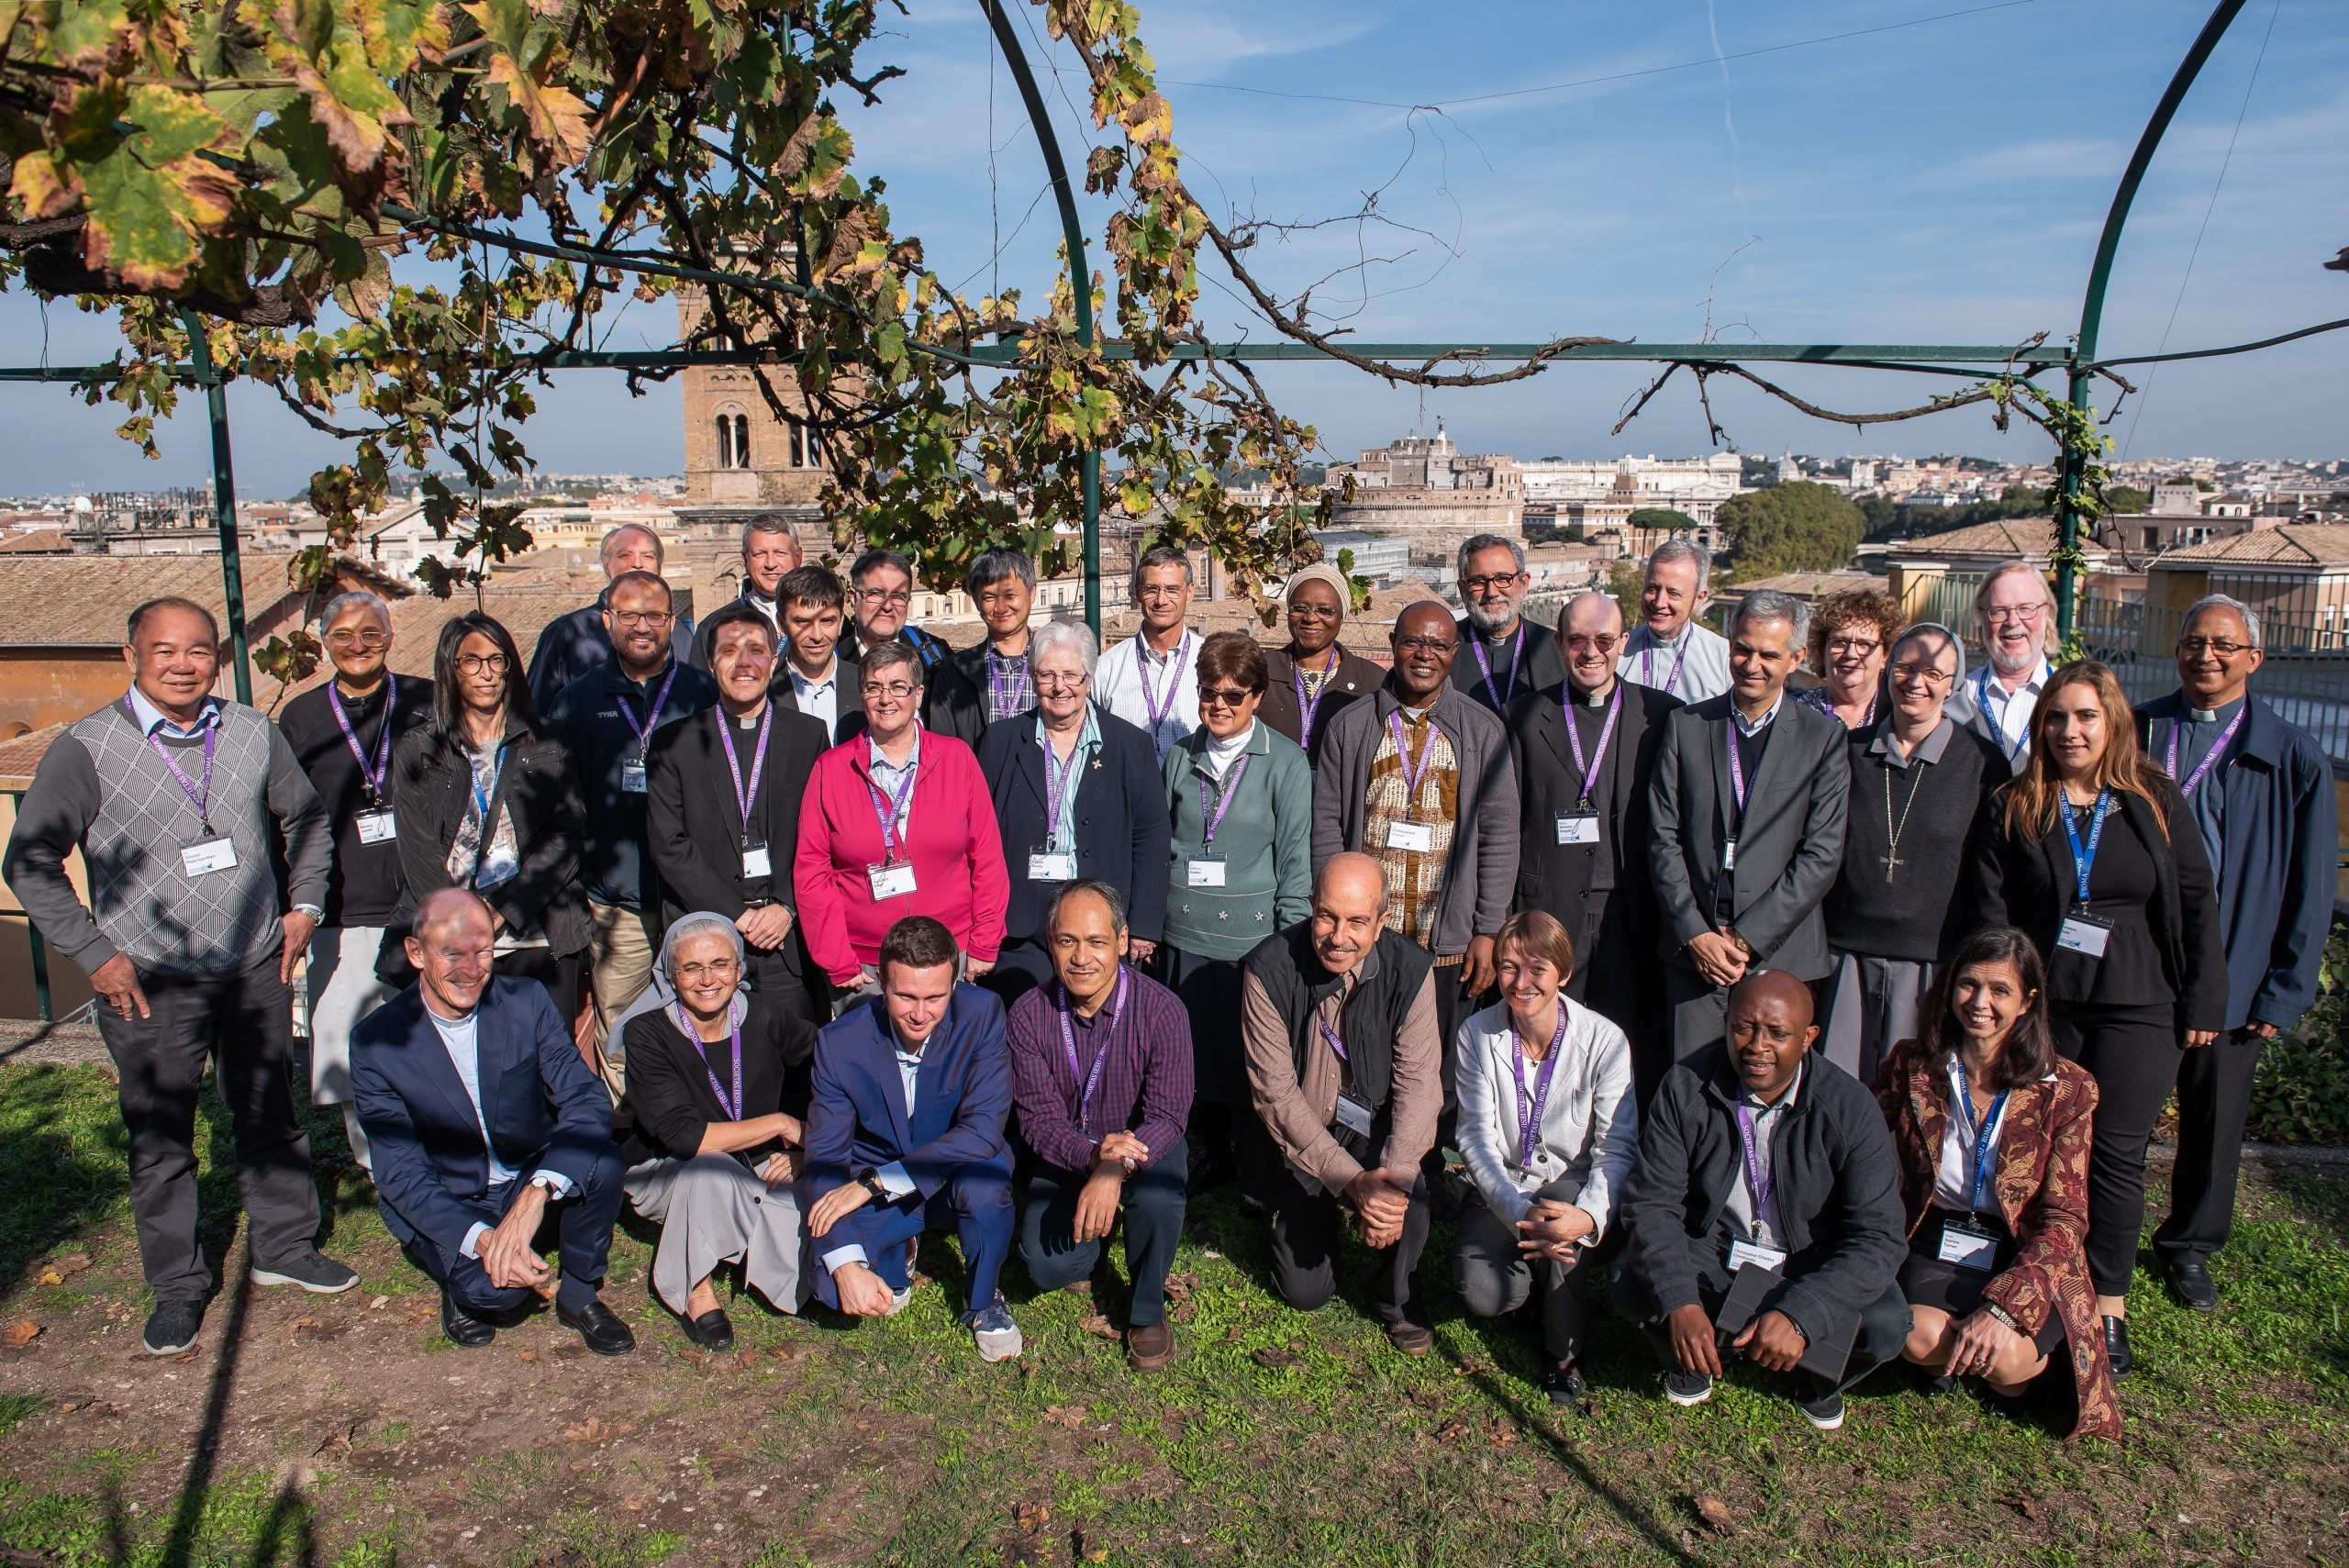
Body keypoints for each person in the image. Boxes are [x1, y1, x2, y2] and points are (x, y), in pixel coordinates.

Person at [5, 596, 354, 1354]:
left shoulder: (251, 732)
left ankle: (285, 1248)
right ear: (132, 654)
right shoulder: (88, 748)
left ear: (216, 660)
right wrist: (93, 952)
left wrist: (304, 904)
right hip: (148, 978)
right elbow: (29, 861)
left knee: (267, 1109)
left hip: (254, 960)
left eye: (199, 651)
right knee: (161, 1138)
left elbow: (308, 820)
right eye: (165, 650)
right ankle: (179, 1285)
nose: (183, 664)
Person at [1970, 659, 2226, 1376]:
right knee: (2042, 1147)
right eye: (2056, 717)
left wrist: (2206, 1000)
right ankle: (2038, 1285)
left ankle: (2108, 1303)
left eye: (2084, 716)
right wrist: (1995, 1000)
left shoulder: (2153, 797)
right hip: (2049, 1004)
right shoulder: (2018, 803)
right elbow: (1992, 910)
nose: (2070, 730)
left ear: (2111, 721)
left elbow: (2197, 900)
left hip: (2143, 1004)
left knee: (2114, 1153)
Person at [2139, 595, 2337, 1312]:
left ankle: (2189, 1246)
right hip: (2143, 965)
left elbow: (2312, 888)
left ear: (2254, 657)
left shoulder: (2291, 754)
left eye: (2224, 644)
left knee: (2214, 1120)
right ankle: (2090, 1234)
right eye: (2194, 641)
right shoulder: (2137, 729)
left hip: (2238, 968)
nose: (2207, 656)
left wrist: (2284, 990)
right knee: (2116, 1113)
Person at [1610, 970, 1909, 1431]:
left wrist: (1802, 1315)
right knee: (1634, 1280)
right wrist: (1680, 1303)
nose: (1756, 1046)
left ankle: (1815, 1373)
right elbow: (1653, 1203)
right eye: (1743, 1027)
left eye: (1777, 1033)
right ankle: (1688, 1350)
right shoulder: (1686, 1084)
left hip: (1807, 1257)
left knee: (1886, 1322)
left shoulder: (1850, 1106)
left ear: (1809, 1037)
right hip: (1718, 1244)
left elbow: (1879, 1237)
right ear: (1726, 1022)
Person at [350, 889, 633, 1354]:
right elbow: (399, 1169)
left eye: (482, 952)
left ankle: (580, 1293)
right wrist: (483, 1241)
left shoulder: (525, 1000)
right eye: (452, 955)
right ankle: (452, 1267)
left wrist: (536, 1193)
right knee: (495, 1293)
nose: (470, 970)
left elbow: (584, 1096)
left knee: (601, 1160)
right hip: (452, 1192)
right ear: (416, 953)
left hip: (525, 1170)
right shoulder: (377, 1043)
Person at [1872, 927, 2121, 1439]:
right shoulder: (1912, 1065)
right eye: (1968, 985)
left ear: (2029, 1001)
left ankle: (1977, 1365)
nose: (1980, 1002)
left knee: (2009, 1365)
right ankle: (1955, 1359)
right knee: (1913, 1333)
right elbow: (1866, 1155)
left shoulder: (2069, 1089)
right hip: (1934, 1236)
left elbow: (2065, 1219)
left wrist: (2006, 1310)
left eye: (2000, 990)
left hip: (2024, 1248)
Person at [1241, 853, 1444, 1353]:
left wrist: (1391, 1181)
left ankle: (1396, 1297)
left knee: (1412, 1194)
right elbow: (1276, 1097)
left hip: (1374, 1130)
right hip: (1302, 1140)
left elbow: (1420, 1085)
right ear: (1311, 907)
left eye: (1357, 921)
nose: (1338, 936)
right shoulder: (1267, 969)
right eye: (1327, 916)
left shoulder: (1413, 970)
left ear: (1382, 922)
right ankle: (1305, 1216)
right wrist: (1353, 1183)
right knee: (1306, 1291)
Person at [803, 916, 1021, 1360]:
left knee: (986, 1192)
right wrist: (845, 1265)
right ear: (880, 982)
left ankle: (984, 1299)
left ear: (956, 984)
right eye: (904, 996)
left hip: (961, 1165)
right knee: (831, 1287)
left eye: (935, 997)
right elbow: (824, 1155)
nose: (920, 1013)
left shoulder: (983, 1014)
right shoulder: (838, 1043)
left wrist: (876, 1182)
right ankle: (900, 1244)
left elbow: (982, 1128)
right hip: (879, 1176)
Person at [1648, 589, 1851, 1062]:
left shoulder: (1822, 739)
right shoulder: (1687, 726)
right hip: (1693, 953)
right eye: (1742, 648)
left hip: (1780, 954)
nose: (1752, 664)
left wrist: (1746, 939)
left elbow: (1820, 855)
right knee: (1692, 1090)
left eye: (1769, 654)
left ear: (1797, 657)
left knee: (1771, 1092)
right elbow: (1662, 837)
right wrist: (1695, 933)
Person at [1312, 598, 1517, 1057]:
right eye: (1413, 642)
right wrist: (1335, 920)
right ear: (1393, 645)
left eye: (1437, 645)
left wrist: (1488, 930)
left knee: (1436, 1070)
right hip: (1367, 943)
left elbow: (1500, 838)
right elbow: (1326, 825)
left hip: (1446, 948)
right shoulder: (1352, 726)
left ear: (1454, 652)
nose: (1425, 654)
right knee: (1362, 1058)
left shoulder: (1482, 732)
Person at [276, 590, 435, 1173]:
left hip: (422, 899)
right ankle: (375, 1160)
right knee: (347, 1038)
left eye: (371, 633)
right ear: (325, 644)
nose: (358, 645)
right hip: (342, 903)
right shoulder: (302, 718)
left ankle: (430, 1151)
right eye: (343, 635)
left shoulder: (426, 701)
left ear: (390, 638)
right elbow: (284, 816)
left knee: (426, 1039)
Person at [1450, 911, 1636, 1404]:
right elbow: (1474, 1138)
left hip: (1568, 1186)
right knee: (1486, 1293)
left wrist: (1587, 1215)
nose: (1521, 982)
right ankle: (1531, 1292)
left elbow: (1615, 1148)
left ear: (1564, 974)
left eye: (1538, 968)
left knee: (1561, 1225)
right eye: (1509, 967)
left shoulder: (1605, 1041)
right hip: (1506, 1186)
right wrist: (1515, 1213)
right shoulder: (1477, 1035)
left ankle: (1564, 1356)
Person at [1006, 882, 1194, 1370]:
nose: (1081, 957)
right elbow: (1038, 1122)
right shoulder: (1028, 1015)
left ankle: (1148, 1310)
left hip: (1145, 1145)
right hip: (1070, 1151)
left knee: (1159, 1198)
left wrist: (1114, 1168)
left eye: (1096, 942)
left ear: (1123, 940)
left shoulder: (1163, 1011)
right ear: (1051, 944)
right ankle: (1096, 1243)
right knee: (1046, 1266)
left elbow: (1169, 1115)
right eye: (1067, 941)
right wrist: (1092, 1159)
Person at [1819, 624, 2009, 1087]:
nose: (1915, 682)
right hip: (1846, 956)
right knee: (1839, 1093)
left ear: (1953, 683)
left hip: (1934, 962)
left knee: (1915, 1098)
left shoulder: (1982, 764)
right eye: (1904, 667)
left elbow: (1991, 874)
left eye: (1932, 672)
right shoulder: (1846, 751)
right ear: (1887, 670)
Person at [1160, 630, 1315, 1193]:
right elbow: (1162, 845)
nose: (1219, 706)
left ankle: (1256, 1167)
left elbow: (1296, 860)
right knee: (1192, 1056)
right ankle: (1209, 1152)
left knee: (1253, 1058)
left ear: (1256, 697)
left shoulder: (1286, 763)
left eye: (1233, 695)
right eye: (1209, 694)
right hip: (1184, 932)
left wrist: (1290, 942)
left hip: (1251, 942)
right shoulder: (1180, 755)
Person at [618, 913, 819, 1348]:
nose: (707, 979)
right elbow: (686, 1138)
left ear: (739, 969)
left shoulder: (765, 1016)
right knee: (708, 1171)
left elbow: (830, 1069)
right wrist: (784, 1124)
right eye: (692, 968)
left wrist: (810, 1150)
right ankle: (695, 1287)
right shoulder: (647, 1032)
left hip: (757, 1161)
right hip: (671, 1170)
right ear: (670, 976)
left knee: (812, 1257)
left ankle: (748, 1239)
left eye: (720, 965)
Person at [548, 571, 719, 1075]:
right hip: (616, 901)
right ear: (607, 620)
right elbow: (561, 805)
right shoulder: (575, 702)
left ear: (673, 621)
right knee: (619, 1032)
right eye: (629, 615)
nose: (643, 626)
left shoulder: (703, 693)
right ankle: (627, 1141)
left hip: (693, 898)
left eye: (655, 616)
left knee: (703, 1024)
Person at [1506, 591, 1680, 1078]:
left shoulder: (1664, 715)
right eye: (1578, 640)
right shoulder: (1522, 716)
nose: (1591, 652)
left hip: (1632, 912)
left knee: (1625, 1046)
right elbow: (1506, 823)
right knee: (1549, 1047)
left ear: (1624, 642)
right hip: (1550, 909)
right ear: (1560, 644)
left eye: (1604, 639)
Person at [392, 613, 593, 1033]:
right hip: (454, 939)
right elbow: (417, 848)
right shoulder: (421, 749)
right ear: (450, 668)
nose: (486, 673)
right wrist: (458, 919)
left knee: (542, 1059)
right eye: (471, 661)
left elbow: (567, 834)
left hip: (538, 929)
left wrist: (503, 909)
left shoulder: (548, 739)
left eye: (496, 660)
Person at [646, 599, 833, 1024]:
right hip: (709, 937)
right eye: (729, 651)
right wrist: (738, 914)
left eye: (755, 650)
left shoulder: (808, 735)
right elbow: (669, 845)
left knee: (797, 1064)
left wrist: (785, 906)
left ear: (774, 658)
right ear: (710, 665)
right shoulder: (674, 743)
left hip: (788, 936)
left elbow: (822, 834)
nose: (743, 662)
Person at [794, 638, 1009, 995]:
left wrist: (985, 941)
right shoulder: (831, 770)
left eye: (898, 687)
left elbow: (986, 857)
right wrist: (837, 960)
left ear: (918, 694)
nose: (885, 698)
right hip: (866, 966)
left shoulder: (957, 760)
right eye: (873, 688)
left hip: (950, 956)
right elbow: (812, 873)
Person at [974, 622, 1168, 1002]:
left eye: (1070, 675)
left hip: (1101, 923)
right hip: (1020, 925)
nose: (1059, 686)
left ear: (1090, 678)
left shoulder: (1131, 745)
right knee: (1025, 1028)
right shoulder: (1000, 743)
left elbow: (1152, 835)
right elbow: (980, 837)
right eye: (1046, 674)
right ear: (1033, 678)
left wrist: (1144, 923)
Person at [527, 523, 695, 711]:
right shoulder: (567, 632)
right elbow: (536, 712)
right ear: (607, 565)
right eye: (625, 555)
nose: (637, 564)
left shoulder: (681, 634)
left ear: (659, 566)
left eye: (648, 556)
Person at [845, 548, 983, 745]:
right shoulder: (832, 662)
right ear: (853, 597)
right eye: (876, 594)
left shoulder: (934, 656)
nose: (887, 605)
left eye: (898, 597)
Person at [1258, 563, 1383, 762]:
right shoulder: (1260, 670)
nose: (1311, 618)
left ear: (1342, 616)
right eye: (1300, 608)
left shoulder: (1373, 681)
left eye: (1325, 610)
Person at [1096, 545, 1203, 763]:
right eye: (1151, 589)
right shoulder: (1106, 668)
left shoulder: (1211, 661)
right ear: (1137, 592)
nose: (1161, 600)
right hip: (1127, 794)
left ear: (1189, 592)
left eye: (1172, 589)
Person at [1949, 562, 2056, 767]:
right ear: (1982, 617)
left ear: (2047, 615)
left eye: (2026, 608)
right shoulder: (1957, 695)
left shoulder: (2069, 697)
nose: (2013, 621)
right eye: (1999, 611)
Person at [1452, 534, 1566, 714]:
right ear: (1462, 589)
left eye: (1503, 578)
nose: (1491, 592)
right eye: (1478, 582)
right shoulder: (1443, 647)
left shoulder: (1557, 648)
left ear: (1524, 583)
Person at [1618, 539, 1731, 704]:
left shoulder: (1723, 659)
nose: (1659, 603)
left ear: (1699, 598)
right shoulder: (1617, 651)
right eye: (1652, 589)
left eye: (1673, 593)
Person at [688, 517, 801, 667]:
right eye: (759, 554)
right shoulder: (712, 628)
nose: (771, 564)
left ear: (798, 557)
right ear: (745, 560)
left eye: (780, 553)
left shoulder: (825, 620)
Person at [953, 548, 1041, 725]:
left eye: (1010, 595)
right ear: (977, 602)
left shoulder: (1057, 666)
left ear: (1032, 592)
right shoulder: (954, 674)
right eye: (989, 598)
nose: (1001, 608)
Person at [774, 564, 859, 741]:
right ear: (782, 624)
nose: (817, 636)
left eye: (827, 621)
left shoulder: (867, 686)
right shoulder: (764, 691)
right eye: (803, 623)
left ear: (841, 621)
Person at [1796, 586, 1900, 731]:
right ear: (1822, 651)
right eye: (1839, 642)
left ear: (1885, 657)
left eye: (1865, 644)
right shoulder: (1795, 711)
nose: (1851, 654)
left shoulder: (1898, 716)